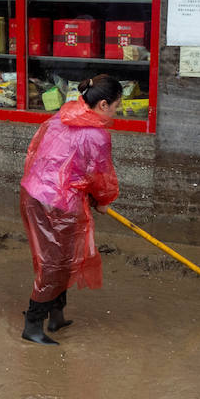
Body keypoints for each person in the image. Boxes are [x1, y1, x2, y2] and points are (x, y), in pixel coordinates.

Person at [18, 74, 121, 346]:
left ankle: (57, 315)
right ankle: (33, 323)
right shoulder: (97, 135)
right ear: (102, 105)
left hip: (34, 194)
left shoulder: (60, 117)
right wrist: (103, 199)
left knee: (60, 259)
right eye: (115, 106)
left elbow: (37, 153)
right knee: (55, 264)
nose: (116, 112)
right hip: (57, 204)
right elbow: (100, 175)